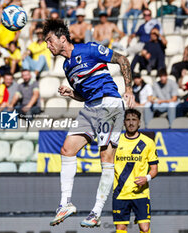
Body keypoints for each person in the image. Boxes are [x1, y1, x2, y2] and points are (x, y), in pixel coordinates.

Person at [43, 19, 134, 228]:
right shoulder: (67, 66)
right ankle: (65, 204)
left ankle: (96, 211)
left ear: (62, 38)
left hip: (109, 103)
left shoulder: (90, 49)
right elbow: (84, 95)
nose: (48, 46)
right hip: (90, 108)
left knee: (106, 156)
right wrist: (71, 93)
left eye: (49, 41)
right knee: (67, 149)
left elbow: (123, 60)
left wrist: (128, 89)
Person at [113, 108, 158, 233]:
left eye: (134, 120)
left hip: (140, 193)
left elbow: (154, 169)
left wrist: (146, 178)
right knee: (120, 228)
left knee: (145, 228)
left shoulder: (148, 143)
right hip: (120, 192)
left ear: (139, 123)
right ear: (124, 122)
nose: (131, 123)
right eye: (128, 120)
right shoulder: (116, 141)